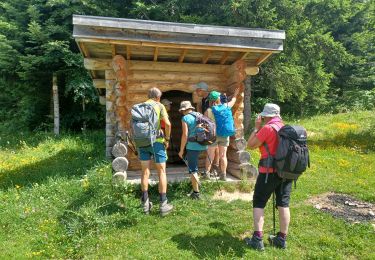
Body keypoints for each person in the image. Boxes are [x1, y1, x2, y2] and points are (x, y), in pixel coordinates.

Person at [245, 103, 292, 250]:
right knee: (283, 204)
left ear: (266, 116)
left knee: (259, 202)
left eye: (263, 116)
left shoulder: (267, 128)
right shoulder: (285, 128)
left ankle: (257, 239)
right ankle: (281, 239)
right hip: (286, 171)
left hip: (268, 172)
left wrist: (256, 127)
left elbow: (250, 145)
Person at [138, 88, 173, 216]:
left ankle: (145, 204)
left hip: (142, 142)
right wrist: (167, 139)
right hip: (157, 142)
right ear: (158, 97)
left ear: (148, 96)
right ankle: (163, 204)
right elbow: (168, 124)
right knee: (161, 172)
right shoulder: (159, 106)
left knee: (145, 172)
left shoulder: (140, 106)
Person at [205, 89, 239, 181]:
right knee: (223, 155)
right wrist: (235, 93)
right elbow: (234, 100)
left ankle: (207, 174)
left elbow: (205, 124)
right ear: (219, 98)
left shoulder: (209, 110)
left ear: (210, 100)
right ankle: (223, 175)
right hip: (224, 135)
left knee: (210, 154)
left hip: (213, 135)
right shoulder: (227, 106)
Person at [178, 101, 208, 200]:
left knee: (193, 169)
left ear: (184, 110)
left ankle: (196, 193)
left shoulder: (185, 118)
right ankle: (195, 187)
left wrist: (181, 150)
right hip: (203, 145)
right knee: (193, 164)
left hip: (192, 146)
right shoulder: (200, 115)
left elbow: (185, 135)